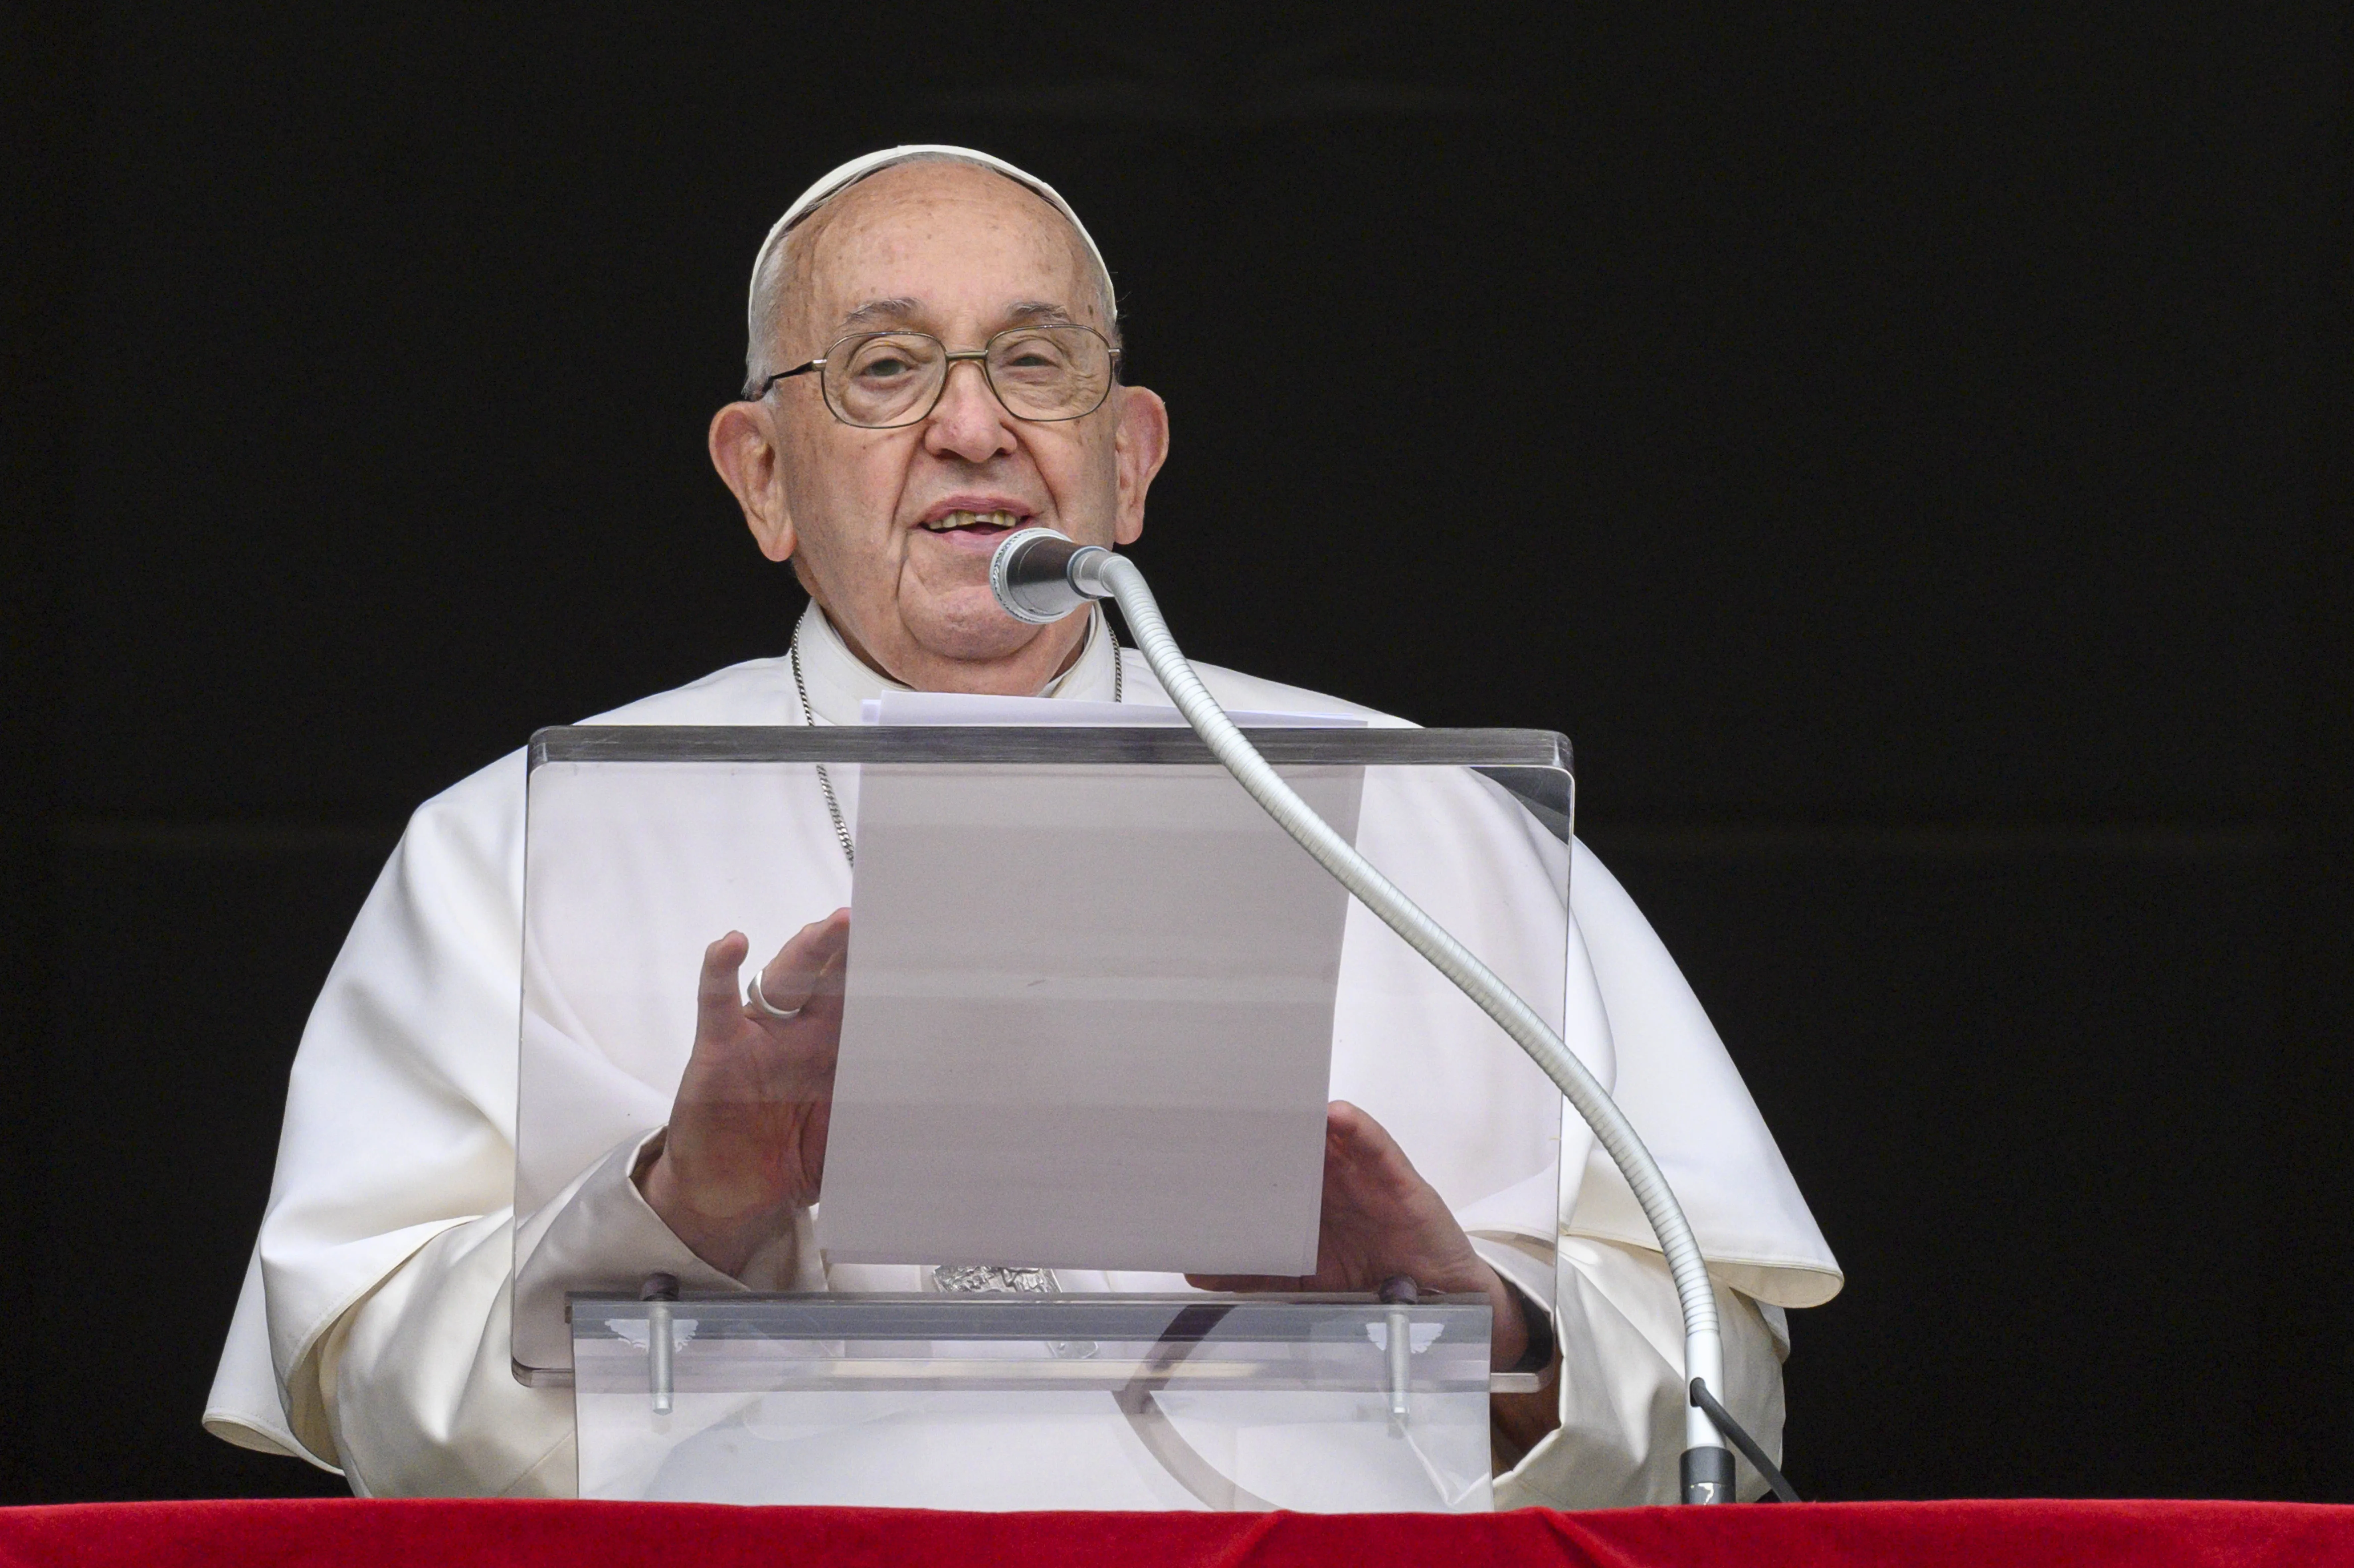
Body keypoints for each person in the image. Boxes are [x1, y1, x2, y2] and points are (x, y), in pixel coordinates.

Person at [204, 146, 1841, 1506]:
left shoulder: (1435, 823)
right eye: (888, 366)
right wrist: (678, 1209)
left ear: (1124, 465)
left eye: (1035, 361)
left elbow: (1724, 1398)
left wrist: (1478, 1318)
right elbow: (371, 1406)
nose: (973, 426)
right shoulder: (511, 846)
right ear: (762, 476)